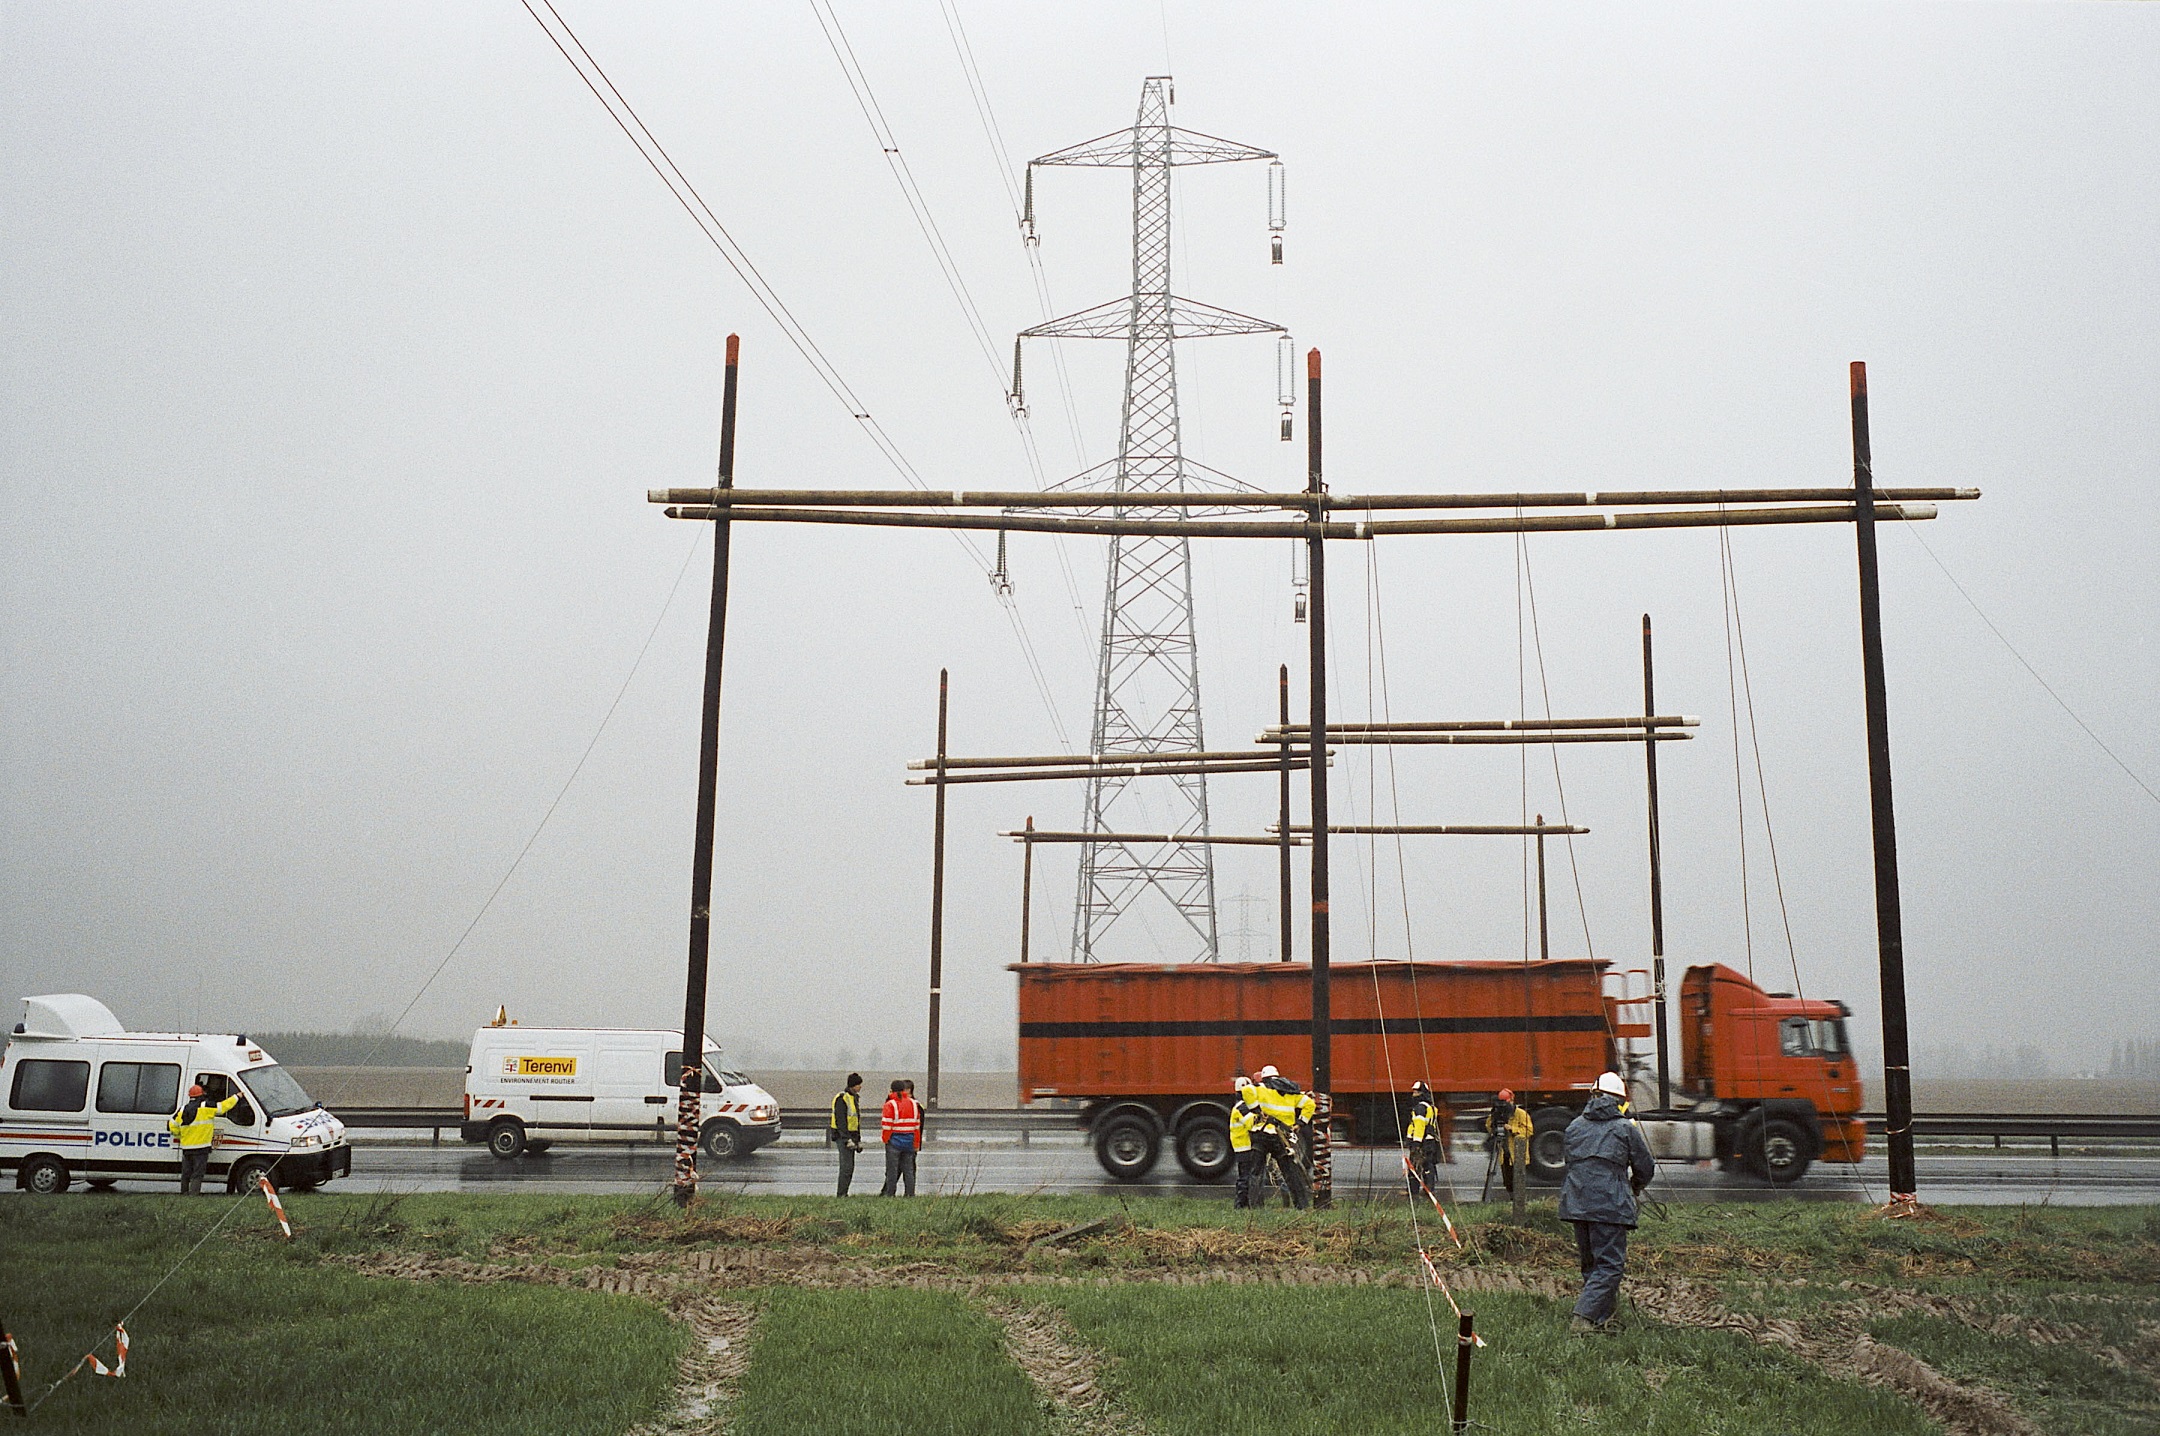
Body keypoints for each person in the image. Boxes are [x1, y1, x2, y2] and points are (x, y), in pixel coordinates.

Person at [1560, 1071, 1655, 1334]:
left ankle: (1602, 1321)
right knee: (1611, 1266)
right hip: (1610, 1207)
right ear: (1619, 1100)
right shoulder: (1625, 1128)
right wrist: (1635, 1186)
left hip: (1576, 1204)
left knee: (1591, 1265)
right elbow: (1645, 1167)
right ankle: (1582, 1319)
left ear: (1594, 1095)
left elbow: (1573, 1164)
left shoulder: (1574, 1126)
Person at [1239, 1066, 1311, 1210]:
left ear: (1264, 1077)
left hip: (1262, 1134)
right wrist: (1300, 1123)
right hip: (1281, 1137)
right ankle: (1301, 1205)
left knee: (1256, 1173)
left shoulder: (1261, 1087)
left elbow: (1246, 1091)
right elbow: (1310, 1104)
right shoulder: (1291, 1091)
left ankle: (1256, 1207)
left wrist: (1257, 1110)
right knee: (1290, 1173)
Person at [167, 1082, 240, 1195]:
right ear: (201, 1095)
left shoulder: (182, 1110)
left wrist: (180, 1136)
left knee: (186, 1173)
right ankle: (194, 1194)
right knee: (197, 1173)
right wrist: (236, 1096)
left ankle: (184, 1193)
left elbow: (171, 1125)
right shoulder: (205, 1106)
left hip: (187, 1147)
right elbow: (223, 1107)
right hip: (201, 1147)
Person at [879, 1078, 924, 1197]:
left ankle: (890, 1194)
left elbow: (887, 1125)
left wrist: (886, 1139)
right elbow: (917, 1126)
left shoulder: (890, 1104)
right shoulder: (915, 1104)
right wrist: (916, 1143)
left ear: (892, 1090)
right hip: (909, 1141)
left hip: (894, 1141)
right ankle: (910, 1194)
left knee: (892, 1170)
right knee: (909, 1170)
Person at [1485, 1088, 1534, 1197]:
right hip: (1504, 1153)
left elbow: (1529, 1131)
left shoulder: (1521, 1114)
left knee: (1518, 1179)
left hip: (1517, 1154)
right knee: (1507, 1180)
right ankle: (1511, 1196)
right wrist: (1494, 1119)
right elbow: (1489, 1126)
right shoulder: (1497, 1113)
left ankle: (1519, 1200)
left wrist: (1512, 1129)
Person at [1228, 1075, 1263, 1210]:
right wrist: (1261, 1116)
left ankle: (1243, 1203)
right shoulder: (1242, 1107)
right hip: (1244, 1147)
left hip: (1242, 1146)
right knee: (1245, 1177)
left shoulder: (1240, 1106)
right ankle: (1240, 1204)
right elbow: (1250, 1123)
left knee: (1245, 1175)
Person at [828, 1073, 864, 1196]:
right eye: (859, 1084)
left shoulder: (854, 1098)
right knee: (846, 1167)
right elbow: (841, 1121)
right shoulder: (842, 1098)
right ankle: (841, 1194)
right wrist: (846, 1139)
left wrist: (858, 1139)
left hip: (852, 1136)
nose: (860, 1087)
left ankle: (844, 1193)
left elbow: (855, 1121)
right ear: (853, 1085)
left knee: (850, 1167)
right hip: (843, 1136)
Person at [1404, 1080, 1440, 1197]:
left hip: (1422, 1141)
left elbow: (1419, 1126)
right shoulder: (1431, 1107)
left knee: (1415, 1165)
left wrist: (1416, 1143)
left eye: (1416, 1092)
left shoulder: (1420, 1108)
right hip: (1430, 1141)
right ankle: (1429, 1189)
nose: (1413, 1094)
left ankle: (1413, 1191)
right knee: (1428, 1165)